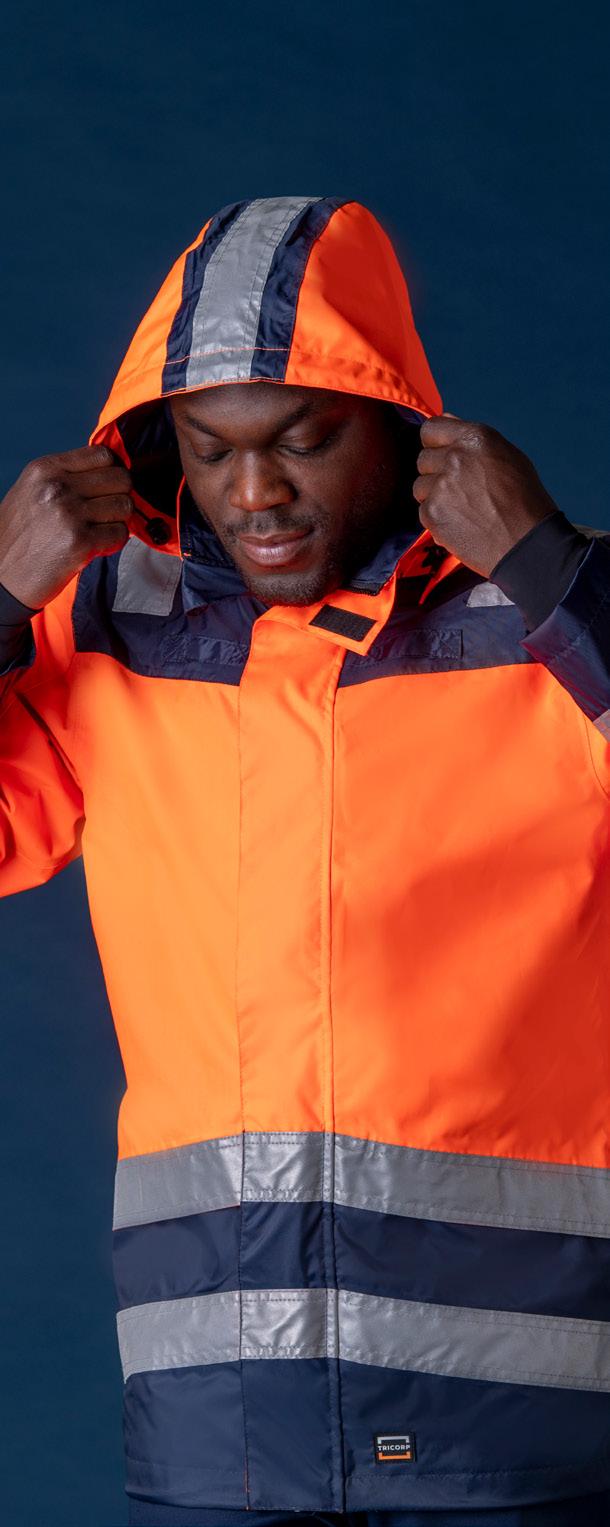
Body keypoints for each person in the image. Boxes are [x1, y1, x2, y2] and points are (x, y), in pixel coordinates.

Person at [1, 196, 609, 1527]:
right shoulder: (101, 628)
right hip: (218, 1423)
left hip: (511, 1422)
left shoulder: (544, 619)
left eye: (303, 439)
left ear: (399, 425)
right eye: (211, 450)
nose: (254, 494)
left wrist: (554, 570)